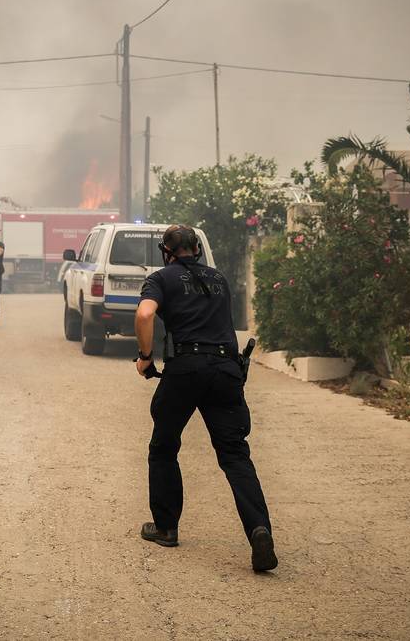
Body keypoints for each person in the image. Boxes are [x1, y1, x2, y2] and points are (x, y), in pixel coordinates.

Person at [133, 224, 277, 572]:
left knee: (164, 445)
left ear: (167, 252)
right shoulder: (219, 279)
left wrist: (145, 357)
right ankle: (259, 530)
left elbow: (145, 314)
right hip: (226, 370)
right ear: (196, 249)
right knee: (235, 455)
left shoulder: (160, 278)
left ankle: (166, 527)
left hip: (186, 368)